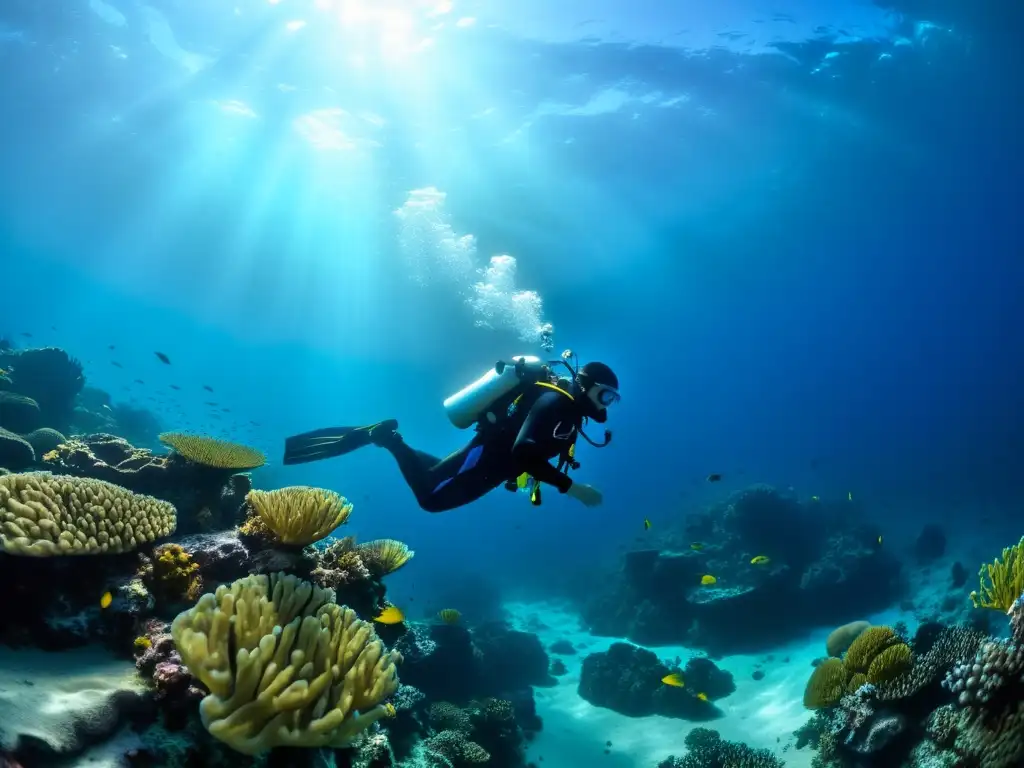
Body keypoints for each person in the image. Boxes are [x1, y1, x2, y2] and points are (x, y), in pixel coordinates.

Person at [282, 358, 620, 513]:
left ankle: (385, 437)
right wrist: (571, 488)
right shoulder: (557, 403)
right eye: (605, 396)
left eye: (611, 400)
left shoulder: (565, 409)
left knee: (435, 479)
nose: (606, 406)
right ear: (587, 386)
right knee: (431, 500)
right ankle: (388, 439)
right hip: (489, 460)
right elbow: (524, 453)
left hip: (488, 461)